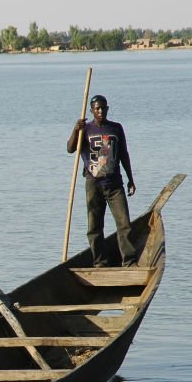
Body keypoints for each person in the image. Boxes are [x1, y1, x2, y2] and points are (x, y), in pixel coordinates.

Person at [66, 95, 137, 267]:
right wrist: (76, 130)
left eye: (103, 108)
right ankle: (99, 262)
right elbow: (70, 149)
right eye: (97, 108)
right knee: (94, 227)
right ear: (91, 111)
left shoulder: (116, 128)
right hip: (93, 184)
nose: (100, 111)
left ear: (107, 109)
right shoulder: (85, 130)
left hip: (114, 184)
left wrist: (130, 179)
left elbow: (123, 154)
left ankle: (129, 262)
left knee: (124, 224)